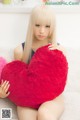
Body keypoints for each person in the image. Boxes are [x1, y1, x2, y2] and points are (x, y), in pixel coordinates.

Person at [0, 5, 66, 120]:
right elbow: (14, 77)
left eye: (47, 26)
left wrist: (62, 53)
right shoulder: (20, 51)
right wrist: (2, 92)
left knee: (45, 115)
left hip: (52, 96)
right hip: (27, 97)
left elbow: (61, 78)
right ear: (31, 25)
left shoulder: (57, 50)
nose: (42, 31)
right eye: (37, 25)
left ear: (53, 27)